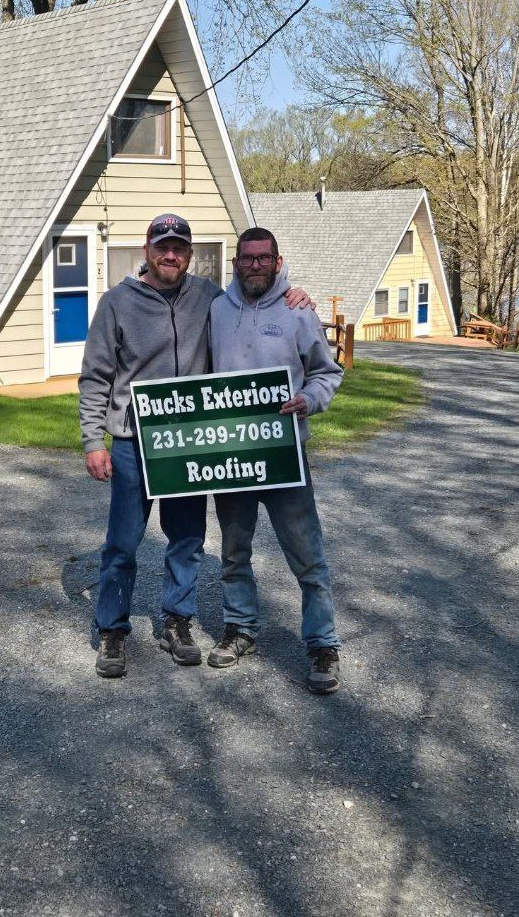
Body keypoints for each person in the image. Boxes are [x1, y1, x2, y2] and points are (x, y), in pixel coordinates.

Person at [79, 213, 312, 679]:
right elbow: (96, 376)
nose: (171, 255)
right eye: (162, 247)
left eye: (179, 248)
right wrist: (93, 440)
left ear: (189, 253)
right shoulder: (116, 303)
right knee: (122, 543)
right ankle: (112, 630)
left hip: (190, 440)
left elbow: (256, 292)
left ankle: (178, 621)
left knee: (186, 539)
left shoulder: (209, 296)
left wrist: (293, 292)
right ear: (147, 250)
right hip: (133, 441)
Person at [207, 226, 344, 694]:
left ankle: (323, 644)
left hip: (285, 455)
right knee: (232, 552)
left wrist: (308, 399)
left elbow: (328, 372)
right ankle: (240, 627)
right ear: (236, 263)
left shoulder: (297, 311)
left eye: (264, 258)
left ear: (277, 261)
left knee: (307, 554)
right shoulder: (217, 310)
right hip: (232, 455)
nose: (255, 265)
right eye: (247, 258)